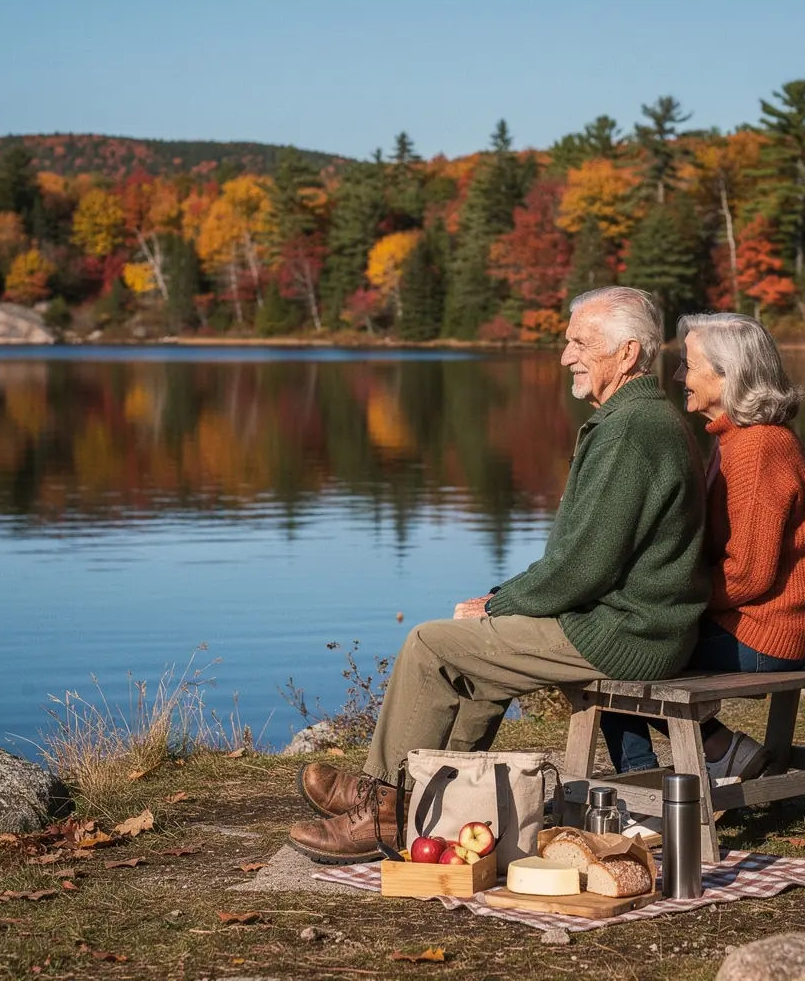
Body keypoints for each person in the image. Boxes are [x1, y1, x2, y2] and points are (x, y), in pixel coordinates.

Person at [288, 287, 710, 864]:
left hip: (626, 632)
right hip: (621, 618)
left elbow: (582, 568)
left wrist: (499, 603)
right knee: (478, 671)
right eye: (567, 342)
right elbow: (582, 563)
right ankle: (437, 808)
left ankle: (383, 807)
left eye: (580, 343)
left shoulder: (633, 431)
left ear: (629, 352)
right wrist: (505, 599)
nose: (566, 356)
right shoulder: (633, 420)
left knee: (430, 645)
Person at [599, 312, 805, 784]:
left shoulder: (759, 448)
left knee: (616, 652)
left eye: (690, 364)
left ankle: (647, 791)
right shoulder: (737, 439)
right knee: (623, 644)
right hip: (763, 620)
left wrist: (673, 603)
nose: (680, 376)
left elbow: (749, 574)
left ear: (731, 375)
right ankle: (720, 749)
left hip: (769, 630)